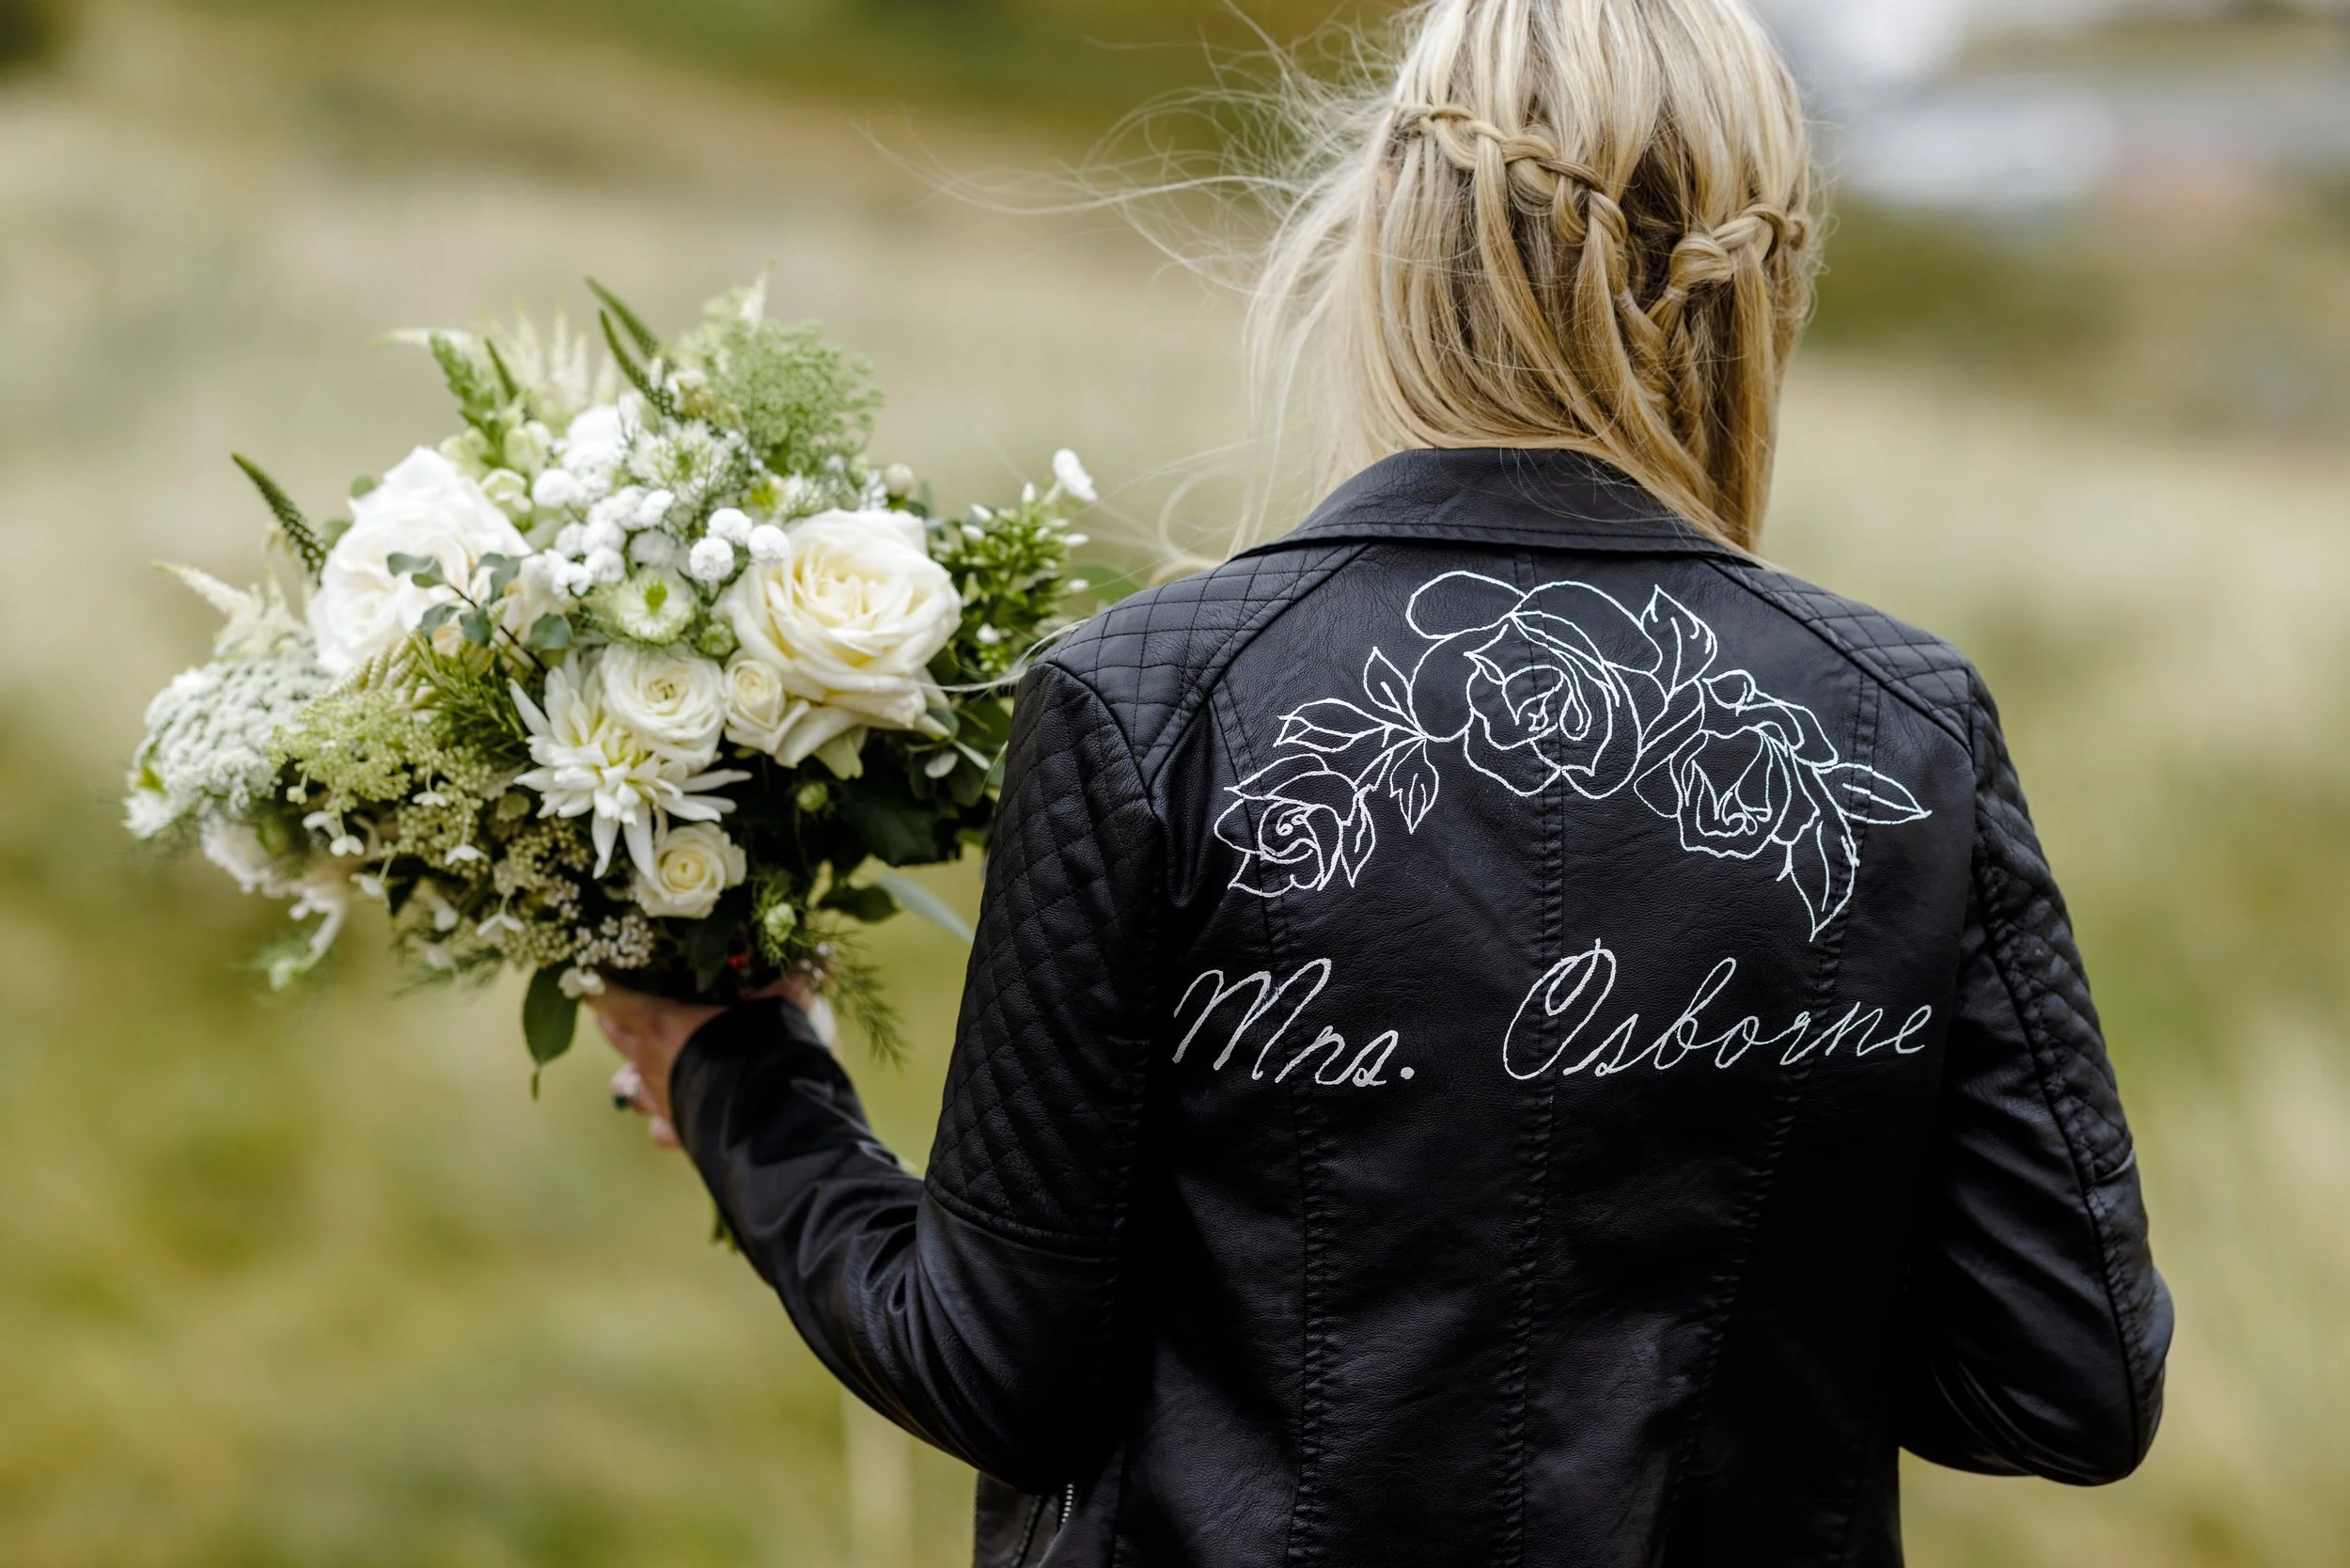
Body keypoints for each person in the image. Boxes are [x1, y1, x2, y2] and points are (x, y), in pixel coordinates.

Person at [589, 1, 2172, 1562]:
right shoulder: (1902, 727)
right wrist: (1729, 1312)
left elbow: (996, 1366)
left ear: (1391, 241)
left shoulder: (1152, 700)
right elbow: (2068, 1381)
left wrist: (740, 1075)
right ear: (1761, 285)